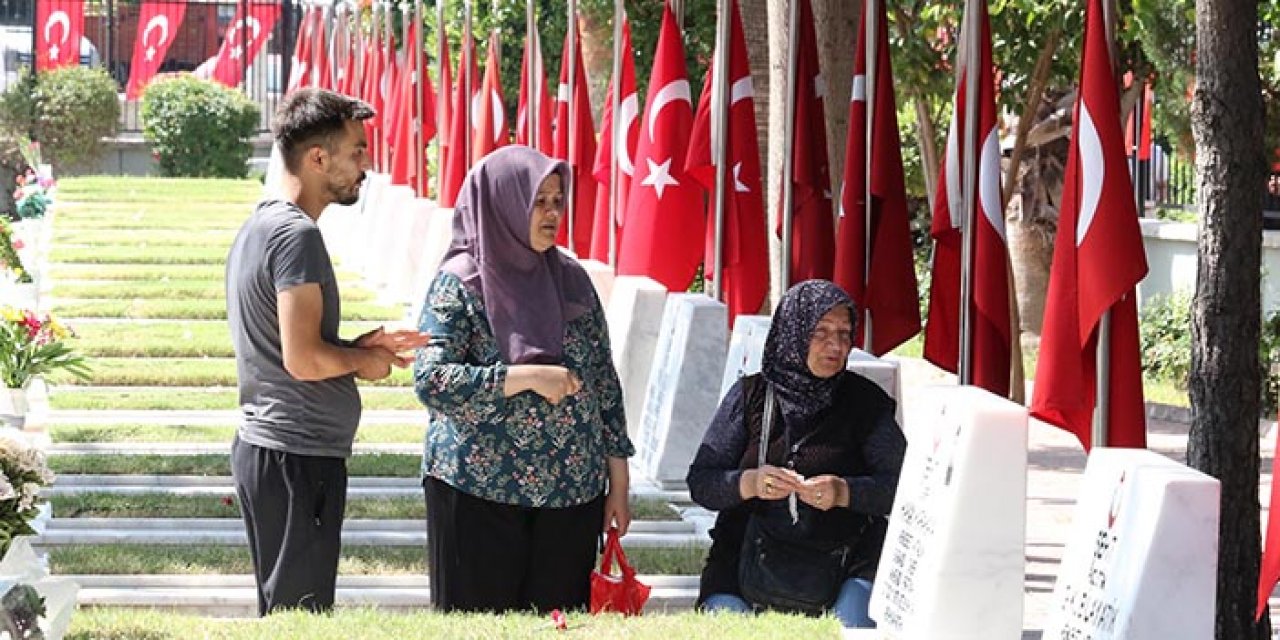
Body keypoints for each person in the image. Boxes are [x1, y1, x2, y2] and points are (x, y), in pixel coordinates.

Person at [226, 88, 430, 615]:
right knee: (300, 617)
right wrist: (365, 362)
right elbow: (301, 359)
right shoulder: (296, 237)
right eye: (357, 150)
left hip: (279, 453)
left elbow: (295, 345)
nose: (366, 163)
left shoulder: (263, 224)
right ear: (318, 158)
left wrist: (356, 346)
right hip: (295, 456)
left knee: (288, 613)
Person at [414, 145, 634, 613]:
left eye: (558, 201)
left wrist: (618, 484)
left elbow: (605, 385)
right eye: (539, 201)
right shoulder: (460, 284)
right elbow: (431, 380)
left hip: (572, 498)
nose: (552, 213)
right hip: (476, 494)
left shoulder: (573, 280)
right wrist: (524, 377)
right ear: (503, 201)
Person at [686, 279, 906, 628]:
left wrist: (844, 493)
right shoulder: (751, 396)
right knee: (729, 627)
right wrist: (749, 483)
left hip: (844, 563)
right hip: (744, 563)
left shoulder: (865, 403)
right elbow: (701, 482)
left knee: (852, 627)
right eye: (820, 332)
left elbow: (903, 490)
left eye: (845, 333)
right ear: (793, 331)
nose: (835, 345)